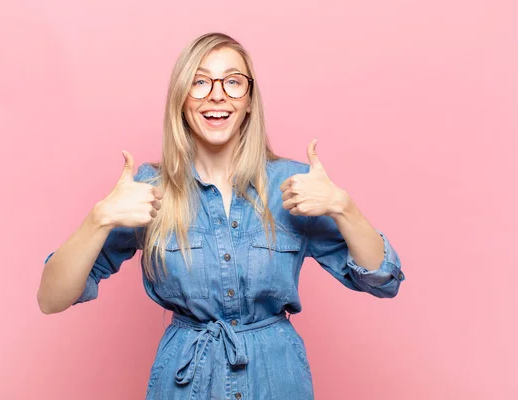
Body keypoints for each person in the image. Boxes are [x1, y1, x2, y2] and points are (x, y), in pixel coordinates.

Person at [37, 32, 405, 400]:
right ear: (182, 100)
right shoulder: (149, 191)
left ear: (249, 101)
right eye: (200, 82)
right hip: (184, 385)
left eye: (233, 81)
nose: (217, 94)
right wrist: (99, 218)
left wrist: (343, 206)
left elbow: (383, 281)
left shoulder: (292, 186)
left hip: (277, 382)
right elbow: (52, 299)